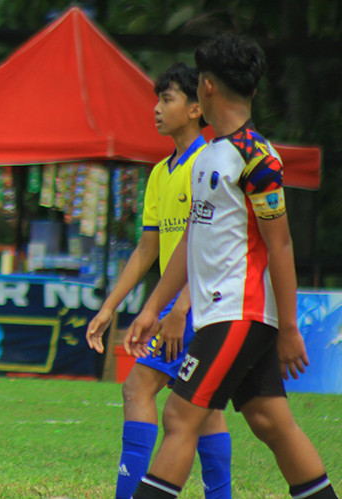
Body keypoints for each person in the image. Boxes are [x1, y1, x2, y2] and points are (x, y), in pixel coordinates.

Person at [124, 34, 337, 499]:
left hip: (240, 313)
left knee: (180, 417)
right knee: (269, 421)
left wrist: (288, 329)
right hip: (224, 313)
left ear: (206, 88)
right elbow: (190, 243)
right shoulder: (207, 156)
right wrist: (153, 309)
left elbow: (280, 247)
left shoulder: (257, 158)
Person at [85, 63, 231, 499]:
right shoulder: (160, 172)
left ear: (193, 109)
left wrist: (182, 304)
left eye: (166, 99)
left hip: (200, 300)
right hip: (182, 301)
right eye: (158, 98)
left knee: (138, 387)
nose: (156, 108)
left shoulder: (208, 164)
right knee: (203, 408)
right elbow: (147, 250)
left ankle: (128, 494)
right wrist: (109, 307)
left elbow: (217, 245)